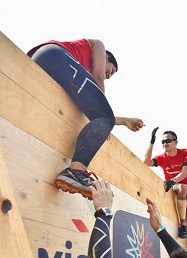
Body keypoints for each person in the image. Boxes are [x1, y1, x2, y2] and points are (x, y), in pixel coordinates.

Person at [27, 39, 144, 199]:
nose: (109, 75)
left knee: (103, 117)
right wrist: (103, 119)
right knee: (104, 116)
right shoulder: (99, 45)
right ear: (106, 56)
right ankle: (76, 171)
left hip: (44, 61)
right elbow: (98, 77)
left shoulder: (78, 74)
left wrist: (123, 121)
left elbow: (97, 112)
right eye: (111, 70)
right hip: (55, 55)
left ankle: (75, 171)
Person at [144, 128, 187, 248]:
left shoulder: (185, 152)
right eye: (163, 141)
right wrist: (152, 142)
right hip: (174, 188)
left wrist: (172, 180)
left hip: (184, 188)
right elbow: (147, 162)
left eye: (168, 141)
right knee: (183, 188)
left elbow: (185, 172)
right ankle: (183, 225)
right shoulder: (162, 157)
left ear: (175, 142)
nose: (165, 143)